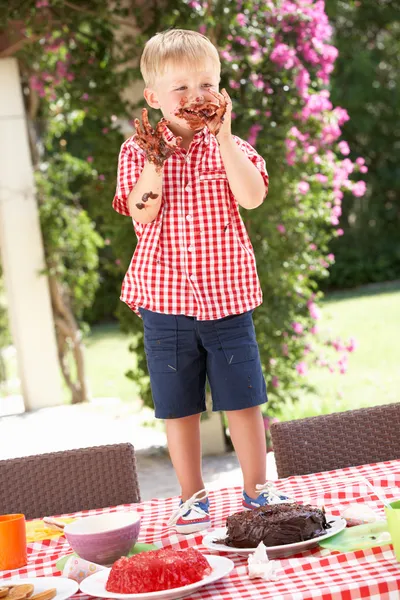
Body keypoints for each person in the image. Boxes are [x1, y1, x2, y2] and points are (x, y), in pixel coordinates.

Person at [112, 28, 289, 535]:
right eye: (180, 88)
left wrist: (226, 137)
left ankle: (257, 490)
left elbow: (252, 196)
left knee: (244, 399)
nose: (194, 97)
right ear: (153, 97)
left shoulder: (231, 147)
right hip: (164, 301)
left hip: (227, 297)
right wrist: (155, 160)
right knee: (178, 405)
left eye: (205, 84)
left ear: (222, 91)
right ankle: (192, 496)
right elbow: (142, 215)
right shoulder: (136, 151)